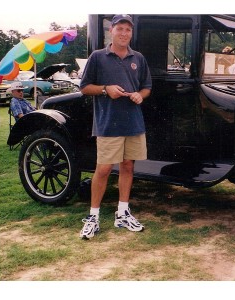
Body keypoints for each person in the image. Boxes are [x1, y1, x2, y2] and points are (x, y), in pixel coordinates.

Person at [78, 14, 152, 239]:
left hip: (133, 123)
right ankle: (93, 217)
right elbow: (84, 87)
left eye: (128, 30)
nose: (124, 33)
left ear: (132, 33)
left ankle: (122, 214)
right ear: (112, 30)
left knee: (128, 166)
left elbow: (147, 86)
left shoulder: (138, 58)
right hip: (108, 123)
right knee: (104, 169)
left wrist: (140, 95)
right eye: (120, 29)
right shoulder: (98, 57)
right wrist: (105, 89)